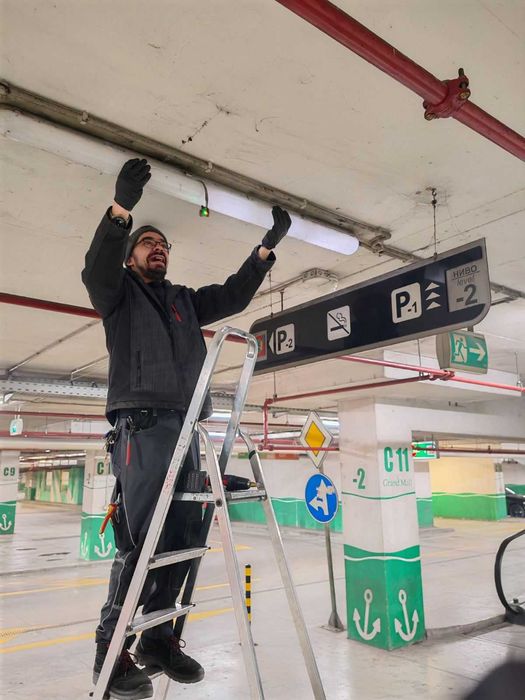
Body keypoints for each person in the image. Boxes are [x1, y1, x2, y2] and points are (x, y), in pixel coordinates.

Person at [82, 158, 291, 700]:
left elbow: (233, 296)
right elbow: (95, 271)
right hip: (142, 428)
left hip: (188, 428)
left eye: (164, 245)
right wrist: (121, 210)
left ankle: (158, 638)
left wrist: (264, 251)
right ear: (131, 256)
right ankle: (110, 651)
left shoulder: (184, 302)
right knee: (142, 542)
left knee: (185, 538)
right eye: (148, 243)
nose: (159, 249)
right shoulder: (118, 296)